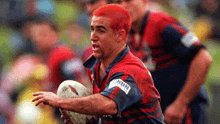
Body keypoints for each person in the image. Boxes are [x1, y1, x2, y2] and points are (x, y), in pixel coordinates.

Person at [32, 4, 165, 123]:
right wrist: (79, 115)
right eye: (92, 29)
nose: (93, 37)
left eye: (101, 31)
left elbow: (108, 104)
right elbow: (103, 111)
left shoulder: (131, 70)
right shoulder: (94, 65)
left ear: (120, 35)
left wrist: (60, 102)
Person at [114, 0, 213, 124]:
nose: (123, 5)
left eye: (128, 0)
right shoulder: (128, 36)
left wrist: (180, 104)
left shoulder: (160, 23)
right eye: (118, 2)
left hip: (185, 114)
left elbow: (203, 58)